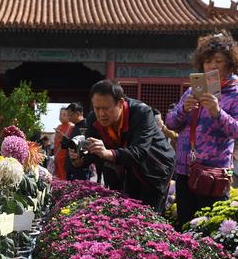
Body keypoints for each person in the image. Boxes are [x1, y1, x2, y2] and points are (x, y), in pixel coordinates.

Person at [165, 32, 238, 225]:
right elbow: (170, 123)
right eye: (207, 61)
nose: (212, 66)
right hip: (184, 170)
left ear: (230, 63)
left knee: (210, 229)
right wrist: (183, 109)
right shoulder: (192, 90)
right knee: (185, 225)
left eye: (218, 61)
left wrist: (217, 111)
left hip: (212, 174)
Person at [69, 80, 174, 211]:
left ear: (120, 103)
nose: (101, 114)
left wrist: (107, 153)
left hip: (154, 168)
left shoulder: (141, 112)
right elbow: (92, 152)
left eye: (106, 108)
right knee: (121, 214)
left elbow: (140, 152)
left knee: (149, 216)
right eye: (97, 108)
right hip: (122, 170)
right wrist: (78, 159)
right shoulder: (93, 119)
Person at [64, 103, 91, 181]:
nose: (68, 118)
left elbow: (85, 147)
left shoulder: (85, 126)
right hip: (72, 167)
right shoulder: (75, 126)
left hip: (80, 168)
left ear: (78, 113)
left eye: (70, 115)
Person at [52, 106, 74, 180]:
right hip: (57, 156)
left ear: (69, 116)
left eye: (64, 114)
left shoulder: (72, 127)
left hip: (66, 157)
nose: (61, 116)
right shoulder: (59, 127)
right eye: (60, 114)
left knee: (64, 177)